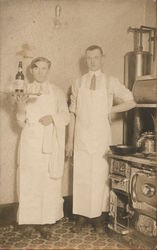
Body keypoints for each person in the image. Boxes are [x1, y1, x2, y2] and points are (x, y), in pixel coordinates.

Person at [66, 45, 136, 233]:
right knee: (81, 176)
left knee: (99, 176)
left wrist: (110, 109)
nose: (92, 61)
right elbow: (72, 114)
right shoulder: (78, 83)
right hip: (81, 137)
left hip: (100, 137)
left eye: (96, 57)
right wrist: (69, 142)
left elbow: (131, 100)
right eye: (89, 58)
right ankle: (80, 217)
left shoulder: (110, 81)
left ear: (102, 58)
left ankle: (99, 218)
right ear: (85, 60)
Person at [15, 57, 69, 238]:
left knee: (48, 182)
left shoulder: (57, 92)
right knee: (30, 181)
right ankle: (29, 223)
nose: (41, 72)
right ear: (31, 70)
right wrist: (21, 104)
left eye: (44, 69)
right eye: (37, 69)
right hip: (30, 141)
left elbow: (66, 117)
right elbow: (20, 121)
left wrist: (52, 118)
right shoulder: (24, 89)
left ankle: (46, 222)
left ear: (49, 70)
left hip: (50, 142)